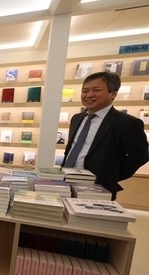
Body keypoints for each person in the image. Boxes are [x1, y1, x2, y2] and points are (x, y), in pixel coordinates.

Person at [63, 71, 148, 200]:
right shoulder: (77, 118)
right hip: (65, 184)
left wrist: (111, 176)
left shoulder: (127, 123)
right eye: (85, 91)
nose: (89, 95)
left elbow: (139, 156)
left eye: (96, 90)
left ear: (113, 94)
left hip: (98, 189)